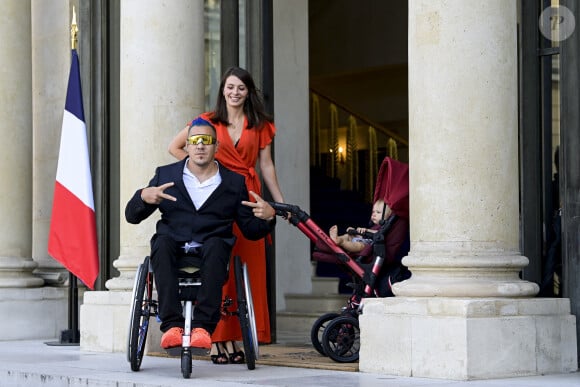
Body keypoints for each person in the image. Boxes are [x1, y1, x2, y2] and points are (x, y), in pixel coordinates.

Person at [125, 118, 276, 351]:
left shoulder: (234, 183)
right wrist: (143, 197)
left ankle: (203, 328)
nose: (200, 146)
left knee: (218, 244)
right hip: (172, 246)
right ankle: (172, 327)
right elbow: (132, 216)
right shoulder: (166, 175)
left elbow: (250, 230)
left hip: (212, 250)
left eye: (207, 141)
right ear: (186, 145)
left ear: (217, 146)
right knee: (161, 243)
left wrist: (267, 217)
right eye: (194, 141)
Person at [168, 67, 285, 364]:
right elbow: (175, 147)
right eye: (230, 87)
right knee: (221, 269)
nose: (235, 92)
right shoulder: (206, 121)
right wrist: (203, 169)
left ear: (248, 92)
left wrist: (280, 204)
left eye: (241, 88)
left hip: (247, 198)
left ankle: (241, 338)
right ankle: (218, 340)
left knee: (248, 269)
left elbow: (266, 166)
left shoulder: (260, 124)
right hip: (215, 196)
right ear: (223, 89)